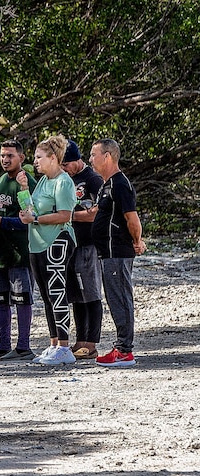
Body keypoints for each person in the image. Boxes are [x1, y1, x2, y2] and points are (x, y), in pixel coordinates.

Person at [18, 135, 77, 365]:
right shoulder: (43, 181)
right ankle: (54, 343)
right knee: (46, 295)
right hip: (37, 242)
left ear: (53, 158)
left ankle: (64, 346)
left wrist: (36, 218)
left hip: (57, 241)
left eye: (39, 157)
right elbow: (30, 207)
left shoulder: (64, 181)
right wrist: (24, 189)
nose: (35, 162)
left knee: (57, 292)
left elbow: (65, 215)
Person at [0, 140, 38, 362]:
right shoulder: (2, 180)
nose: (5, 159)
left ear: (21, 158)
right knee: (0, 298)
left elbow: (29, 218)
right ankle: (3, 346)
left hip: (19, 252)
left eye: (10, 156)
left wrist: (0, 223)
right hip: (0, 251)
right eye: (3, 155)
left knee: (22, 298)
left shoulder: (26, 183)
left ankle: (23, 346)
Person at [89, 138, 146, 367]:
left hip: (117, 251)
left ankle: (124, 350)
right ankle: (120, 346)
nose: (90, 159)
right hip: (107, 252)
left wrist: (137, 241)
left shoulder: (120, 184)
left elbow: (132, 218)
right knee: (114, 299)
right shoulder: (107, 184)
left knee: (121, 298)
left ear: (108, 156)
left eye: (94, 155)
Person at [61, 140, 104, 359]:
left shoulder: (92, 179)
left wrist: (70, 216)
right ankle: (80, 339)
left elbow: (97, 212)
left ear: (76, 160)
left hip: (89, 243)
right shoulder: (66, 180)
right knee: (76, 295)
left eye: (66, 164)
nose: (64, 169)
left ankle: (92, 341)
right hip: (72, 244)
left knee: (91, 292)